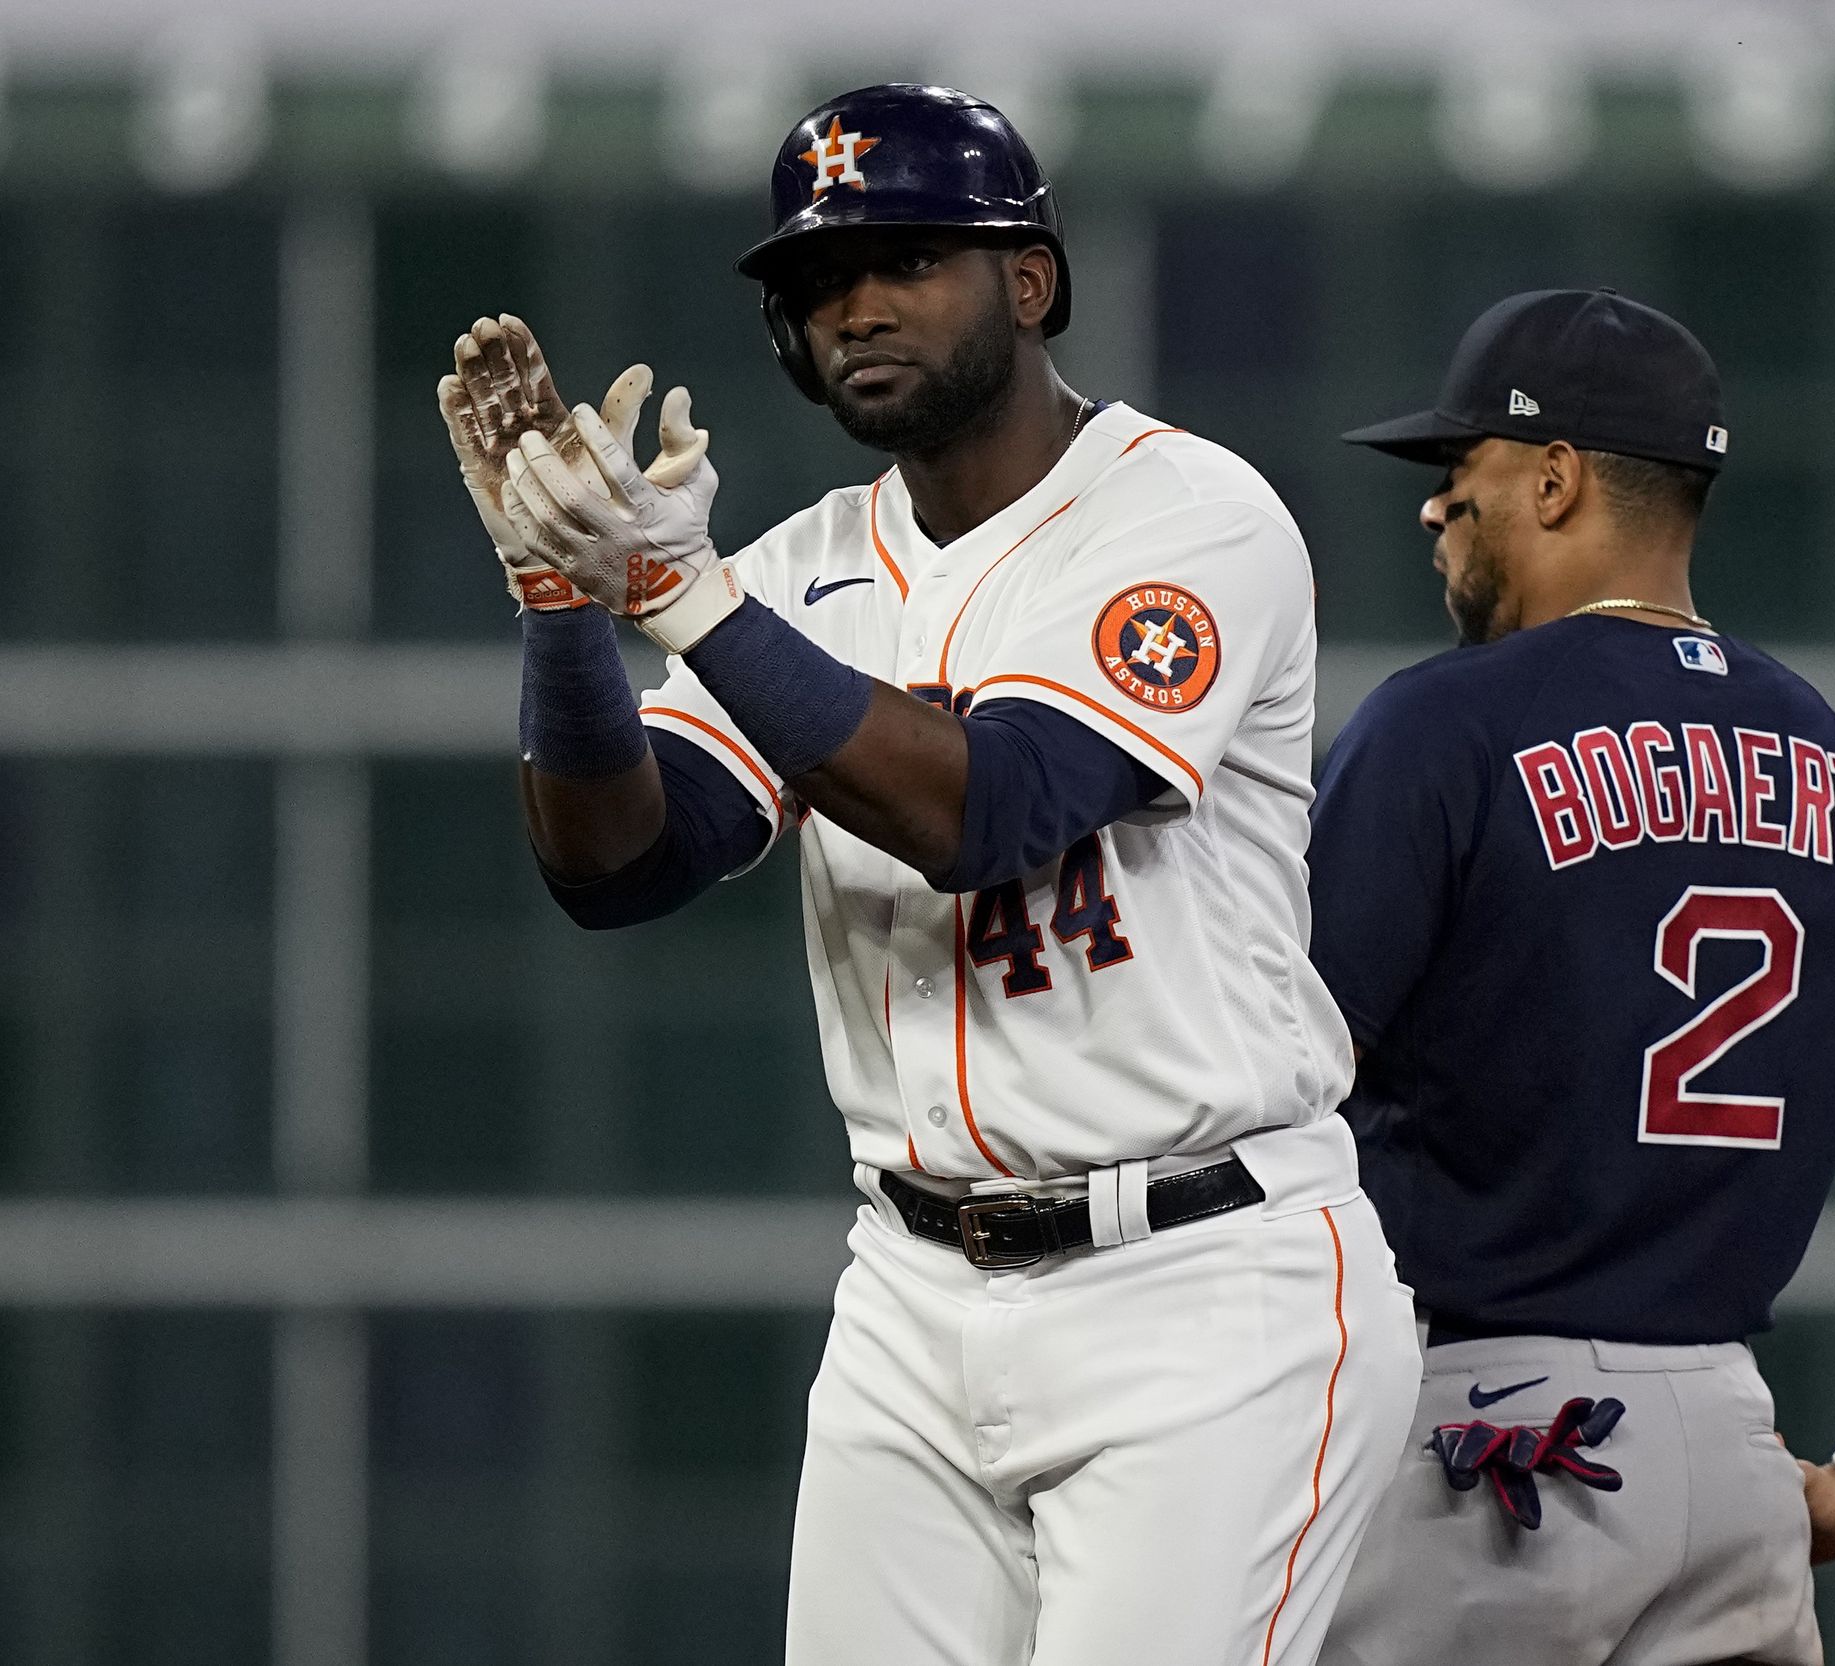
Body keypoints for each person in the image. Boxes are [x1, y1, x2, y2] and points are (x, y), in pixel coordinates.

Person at [435, 83, 1418, 1666]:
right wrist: (565, 610)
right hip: (909, 1285)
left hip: (1203, 1282)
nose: (856, 306)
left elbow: (1000, 810)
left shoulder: (1188, 516)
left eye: (906, 259)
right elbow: (619, 863)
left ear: (1027, 283)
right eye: (818, 283)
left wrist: (680, 598)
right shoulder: (799, 566)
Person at [1305, 289, 1835, 1665]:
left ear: (1553, 480)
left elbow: (1279, 1079)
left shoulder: (1443, 727)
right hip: (1731, 1461)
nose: (1437, 509)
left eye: (1462, 471)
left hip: (1480, 1449)